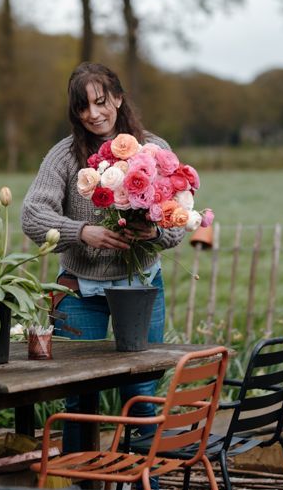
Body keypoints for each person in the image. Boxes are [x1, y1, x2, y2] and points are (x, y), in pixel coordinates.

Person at [21, 61, 185, 455]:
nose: (93, 114)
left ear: (118, 98)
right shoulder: (63, 156)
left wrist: (155, 231)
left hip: (141, 287)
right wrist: (82, 231)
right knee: (78, 396)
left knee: (142, 393)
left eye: (100, 102)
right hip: (80, 289)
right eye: (83, 107)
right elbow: (31, 215)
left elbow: (178, 217)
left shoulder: (154, 150)